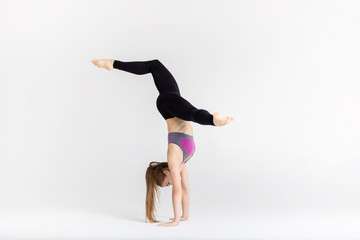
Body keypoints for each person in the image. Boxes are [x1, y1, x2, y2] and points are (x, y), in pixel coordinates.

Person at [91, 58, 234, 227]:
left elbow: (178, 191)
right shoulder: (182, 162)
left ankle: (213, 120)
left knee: (192, 113)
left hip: (167, 106)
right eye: (168, 185)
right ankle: (112, 64)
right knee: (155, 65)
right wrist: (184, 216)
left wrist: (175, 220)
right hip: (173, 103)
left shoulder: (174, 160)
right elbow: (186, 188)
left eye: (167, 182)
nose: (171, 183)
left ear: (166, 171)